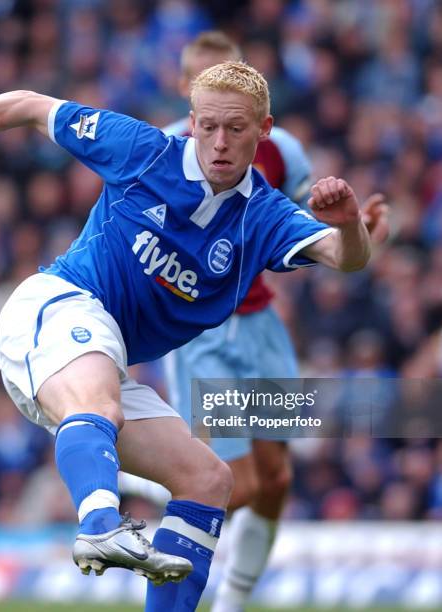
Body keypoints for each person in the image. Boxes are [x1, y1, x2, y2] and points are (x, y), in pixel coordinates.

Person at [0, 60, 372, 612]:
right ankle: (99, 522)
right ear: (191, 121)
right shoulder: (145, 151)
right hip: (56, 307)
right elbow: (29, 104)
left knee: (207, 478)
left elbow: (345, 258)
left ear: (264, 129)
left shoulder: (264, 217)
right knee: (101, 404)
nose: (219, 142)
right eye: (207, 126)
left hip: (102, 361)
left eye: (236, 128)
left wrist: (350, 224)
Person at [158, 32, 390, 612]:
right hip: (202, 332)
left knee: (277, 480)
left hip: (261, 326)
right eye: (201, 84)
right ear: (187, 94)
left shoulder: (280, 147)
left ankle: (233, 601)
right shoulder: (164, 151)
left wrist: (354, 229)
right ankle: (153, 494)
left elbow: (308, 220)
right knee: (242, 481)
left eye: (227, 78)